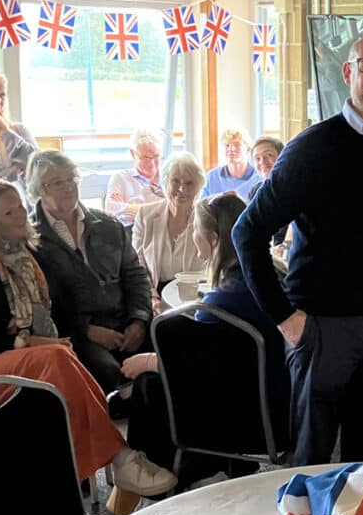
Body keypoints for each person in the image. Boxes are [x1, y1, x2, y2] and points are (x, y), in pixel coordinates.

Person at [234, 34, 363, 466]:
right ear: (348, 72)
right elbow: (247, 232)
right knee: (310, 461)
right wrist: (284, 318)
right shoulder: (311, 149)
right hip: (322, 328)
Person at [0, 178, 175, 498]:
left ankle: (111, 469)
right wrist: (33, 343)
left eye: (20, 205)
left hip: (36, 352)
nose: (21, 214)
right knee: (60, 358)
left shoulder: (29, 255)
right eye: (9, 213)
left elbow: (61, 308)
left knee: (66, 357)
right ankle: (119, 459)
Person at [121, 194, 289, 483]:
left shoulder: (220, 305)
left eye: (195, 230)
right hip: (287, 410)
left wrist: (149, 361)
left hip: (248, 421)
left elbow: (200, 372)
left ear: (212, 238)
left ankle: (156, 476)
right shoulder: (274, 278)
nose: (192, 235)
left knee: (148, 385)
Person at [27, 151, 152, 395]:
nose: (68, 186)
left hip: (125, 322)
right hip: (77, 333)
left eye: (72, 178)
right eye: (57, 182)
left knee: (168, 342)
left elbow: (136, 275)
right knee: (107, 373)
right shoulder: (31, 239)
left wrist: (139, 319)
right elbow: (40, 306)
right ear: (38, 189)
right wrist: (85, 330)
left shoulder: (108, 224)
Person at [133, 152, 206, 312]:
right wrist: (152, 298)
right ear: (166, 182)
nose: (182, 189)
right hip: (153, 293)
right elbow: (138, 266)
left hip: (195, 299)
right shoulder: (146, 216)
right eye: (176, 181)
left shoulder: (207, 219)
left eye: (189, 183)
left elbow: (213, 268)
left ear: (199, 187)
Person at [0, 71, 37, 198]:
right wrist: (13, 173)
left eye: (2, 95)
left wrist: (5, 132)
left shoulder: (20, 130)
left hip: (19, 201)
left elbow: (39, 164)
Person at [105, 129, 165, 226]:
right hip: (132, 237)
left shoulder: (170, 177)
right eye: (146, 157)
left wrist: (129, 208)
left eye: (156, 156)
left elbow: (179, 210)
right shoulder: (121, 178)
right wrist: (163, 207)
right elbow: (111, 210)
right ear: (133, 154)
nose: (151, 163)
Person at [201, 128, 262, 199]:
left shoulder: (259, 179)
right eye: (227, 145)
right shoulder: (211, 177)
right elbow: (202, 207)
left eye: (237, 145)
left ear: (248, 149)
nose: (231, 149)